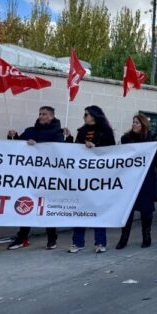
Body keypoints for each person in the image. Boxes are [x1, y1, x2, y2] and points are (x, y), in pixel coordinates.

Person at [6, 106, 64, 250]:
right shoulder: (30, 131)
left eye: (44, 114)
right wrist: (13, 136)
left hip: (47, 177)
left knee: (47, 207)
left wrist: (37, 147)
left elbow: (59, 150)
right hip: (29, 176)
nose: (41, 116)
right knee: (26, 205)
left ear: (52, 116)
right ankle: (22, 238)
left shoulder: (58, 133)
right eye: (40, 114)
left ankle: (52, 238)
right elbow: (17, 147)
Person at [63, 106, 116, 253]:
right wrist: (69, 138)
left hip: (98, 177)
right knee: (80, 209)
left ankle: (100, 242)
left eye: (86, 114)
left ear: (94, 115)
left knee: (98, 208)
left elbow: (111, 152)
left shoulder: (106, 131)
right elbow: (75, 151)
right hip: (82, 176)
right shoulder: (82, 131)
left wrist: (96, 148)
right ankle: (77, 242)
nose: (84, 117)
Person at [117, 113, 157, 249]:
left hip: (146, 179)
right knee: (127, 209)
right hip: (129, 179)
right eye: (133, 122)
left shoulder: (151, 139)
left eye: (137, 122)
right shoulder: (125, 138)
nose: (134, 124)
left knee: (146, 210)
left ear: (143, 125)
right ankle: (124, 238)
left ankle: (146, 236)